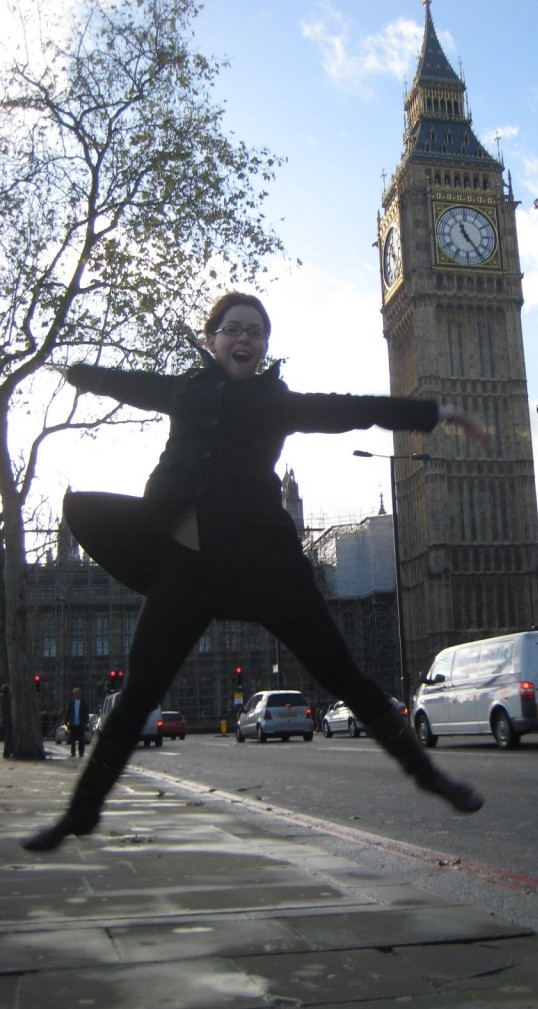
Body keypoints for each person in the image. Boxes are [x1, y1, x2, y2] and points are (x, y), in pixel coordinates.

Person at [22, 291, 486, 853]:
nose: (246, 339)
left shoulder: (276, 401)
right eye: (235, 329)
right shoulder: (183, 389)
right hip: (186, 564)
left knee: (343, 675)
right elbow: (129, 382)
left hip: (266, 566)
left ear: (263, 347)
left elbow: (350, 408)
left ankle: (429, 776)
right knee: (139, 689)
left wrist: (434, 413)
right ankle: (81, 812)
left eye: (257, 333)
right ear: (211, 339)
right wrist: (76, 371)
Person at [65, 687, 90, 757]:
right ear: (73, 694)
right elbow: (68, 712)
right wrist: (66, 721)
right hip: (73, 723)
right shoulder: (71, 703)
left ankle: (81, 752)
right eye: (75, 693)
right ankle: (73, 752)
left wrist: (86, 722)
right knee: (72, 739)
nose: (76, 694)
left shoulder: (84, 702)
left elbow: (86, 713)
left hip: (81, 723)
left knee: (81, 739)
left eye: (78, 693)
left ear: (80, 694)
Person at [1, 684, 12, 759]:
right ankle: (8, 752)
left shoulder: (1, 697)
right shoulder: (9, 698)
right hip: (9, 718)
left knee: (6, 736)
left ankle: (7, 752)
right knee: (9, 736)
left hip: (3, 719)